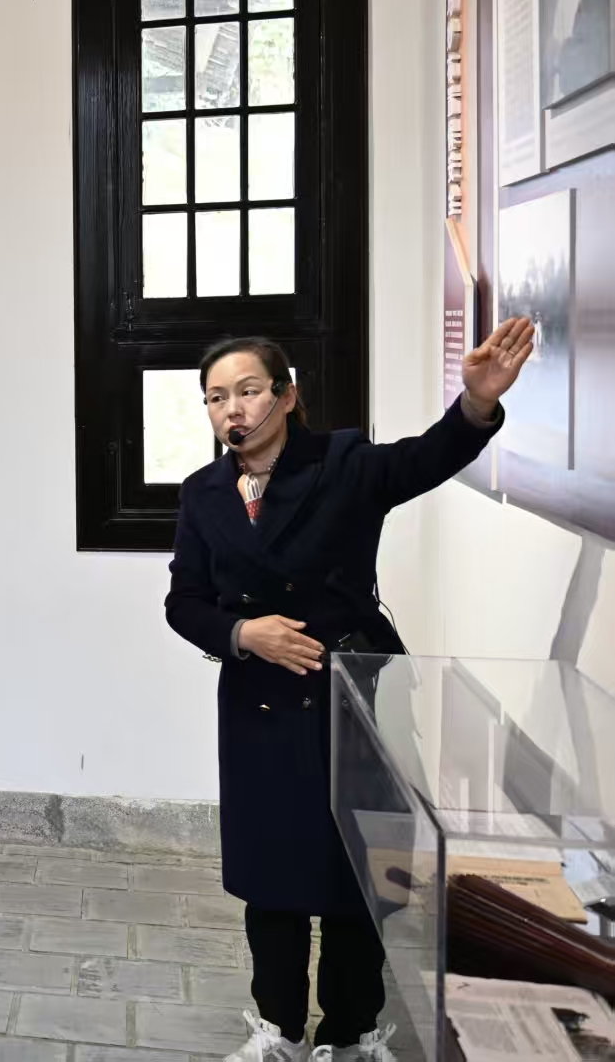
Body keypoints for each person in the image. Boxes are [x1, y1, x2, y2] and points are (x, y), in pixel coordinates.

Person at [166, 320, 533, 1062]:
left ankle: (352, 1033)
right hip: (259, 702)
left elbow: (425, 458)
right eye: (215, 397)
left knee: (355, 872)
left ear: (285, 395)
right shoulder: (202, 492)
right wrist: (243, 633)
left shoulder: (342, 463)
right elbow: (184, 601)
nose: (232, 408)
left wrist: (475, 404)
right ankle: (277, 1029)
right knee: (269, 874)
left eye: (247, 390)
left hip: (354, 693)